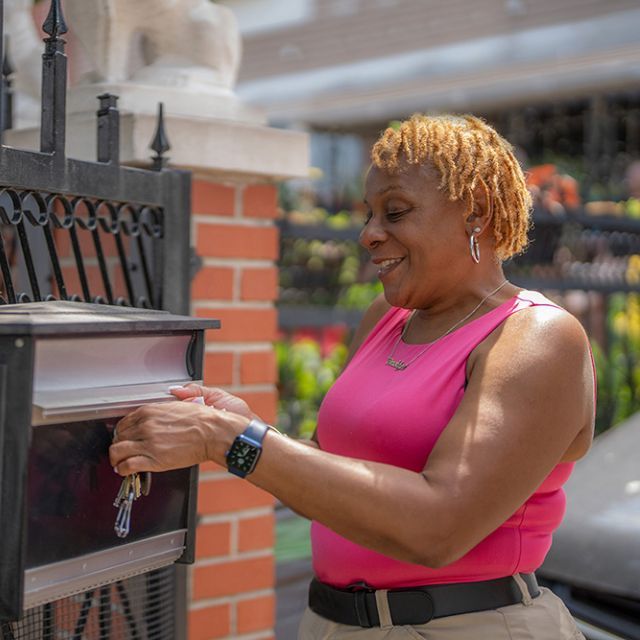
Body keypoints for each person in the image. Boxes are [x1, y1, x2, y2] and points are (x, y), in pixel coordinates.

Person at [110, 114, 595, 639]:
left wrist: (231, 441)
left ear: (474, 209)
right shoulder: (385, 321)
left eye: (396, 212)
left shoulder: (536, 337)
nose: (369, 234)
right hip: (330, 624)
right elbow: (324, 481)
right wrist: (251, 428)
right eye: (369, 214)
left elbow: (440, 527)